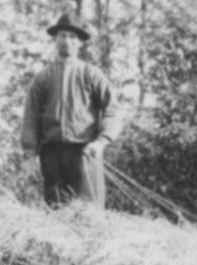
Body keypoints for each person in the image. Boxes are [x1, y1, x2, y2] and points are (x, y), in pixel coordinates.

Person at [21, 13, 122, 208]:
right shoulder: (42, 78)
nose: (67, 41)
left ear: (81, 42)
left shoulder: (91, 75)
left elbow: (113, 110)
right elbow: (30, 118)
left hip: (84, 153)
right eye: (62, 35)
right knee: (57, 215)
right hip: (52, 156)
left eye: (72, 36)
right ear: (55, 40)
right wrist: (29, 156)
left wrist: (101, 142)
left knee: (88, 213)